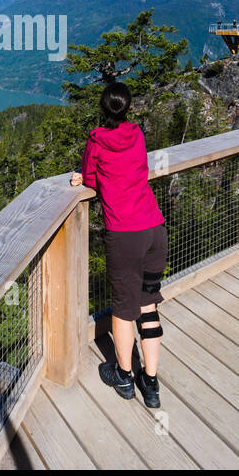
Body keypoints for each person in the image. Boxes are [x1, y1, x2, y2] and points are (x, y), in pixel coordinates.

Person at [69, 81, 166, 408]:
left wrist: (81, 179)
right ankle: (150, 384)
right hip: (154, 228)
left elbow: (92, 177)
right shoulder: (136, 134)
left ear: (103, 108)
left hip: (125, 234)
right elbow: (139, 168)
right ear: (127, 107)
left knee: (124, 310)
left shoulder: (97, 140)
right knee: (148, 305)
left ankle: (124, 375)